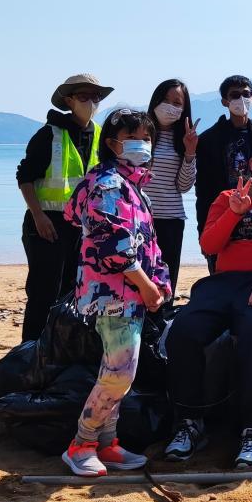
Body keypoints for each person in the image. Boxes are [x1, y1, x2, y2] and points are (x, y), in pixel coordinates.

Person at [164, 134, 252, 468]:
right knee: (184, 330)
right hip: (222, 282)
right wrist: (233, 213)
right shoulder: (228, 196)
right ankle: (189, 422)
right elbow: (210, 245)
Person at [60, 109, 172, 477]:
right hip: (113, 293)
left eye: (148, 138)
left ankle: (107, 442)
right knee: (120, 372)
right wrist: (146, 283)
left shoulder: (134, 187)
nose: (144, 144)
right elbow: (113, 243)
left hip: (133, 292)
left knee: (121, 368)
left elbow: (147, 242)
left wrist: (159, 283)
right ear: (112, 143)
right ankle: (82, 442)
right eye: (135, 137)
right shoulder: (108, 184)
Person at [16, 74, 112, 342]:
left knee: (75, 291)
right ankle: (32, 351)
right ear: (68, 100)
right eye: (84, 97)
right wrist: (38, 215)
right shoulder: (49, 134)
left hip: (84, 227)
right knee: (44, 292)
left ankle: (61, 349)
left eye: (96, 97)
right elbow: (25, 177)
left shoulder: (101, 137)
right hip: (49, 224)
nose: (91, 102)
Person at [195, 75, 252, 273]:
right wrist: (203, 230)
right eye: (235, 95)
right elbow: (202, 189)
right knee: (220, 274)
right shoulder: (209, 139)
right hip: (221, 216)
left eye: (246, 94)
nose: (241, 99)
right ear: (224, 102)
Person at [143, 79, 199, 298]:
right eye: (165, 100)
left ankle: (161, 329)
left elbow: (184, 186)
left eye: (177, 103)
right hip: (138, 219)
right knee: (139, 277)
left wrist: (190, 152)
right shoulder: (139, 134)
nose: (170, 106)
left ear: (184, 109)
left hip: (171, 219)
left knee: (165, 280)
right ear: (155, 101)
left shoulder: (185, 140)